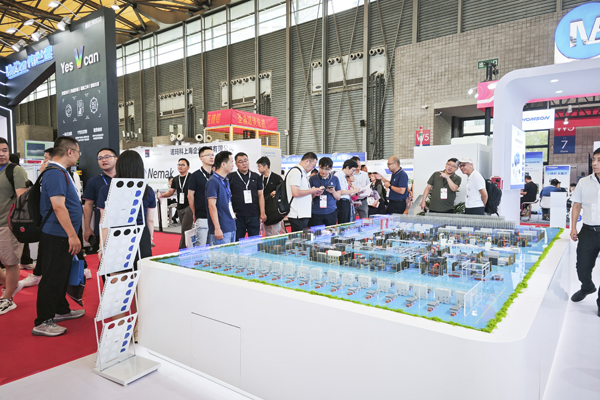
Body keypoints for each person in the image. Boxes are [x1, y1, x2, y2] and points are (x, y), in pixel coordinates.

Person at [33, 137, 84, 336]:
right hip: (57, 234)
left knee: (61, 274)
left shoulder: (60, 172)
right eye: (78, 152)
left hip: (61, 234)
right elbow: (58, 207)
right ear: (69, 152)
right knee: (53, 276)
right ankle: (43, 321)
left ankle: (60, 309)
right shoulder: (55, 173)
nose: (78, 156)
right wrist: (72, 235)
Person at [97, 150, 155, 262]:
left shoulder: (107, 189)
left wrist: (101, 247)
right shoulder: (148, 190)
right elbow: (150, 220)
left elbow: (104, 222)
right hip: (141, 235)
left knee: (117, 270)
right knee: (140, 269)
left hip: (117, 235)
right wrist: (149, 239)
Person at [15, 148, 54, 292]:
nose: (44, 161)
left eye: (46, 158)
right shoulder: (49, 175)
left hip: (53, 221)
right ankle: (37, 273)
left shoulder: (56, 174)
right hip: (46, 220)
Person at [569, 148, 600, 316]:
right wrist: (573, 227)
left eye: (599, 160)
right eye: (594, 159)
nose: (594, 163)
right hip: (588, 230)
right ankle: (587, 286)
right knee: (582, 266)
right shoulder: (584, 182)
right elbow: (576, 205)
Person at [0, 138, 28, 315]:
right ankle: (10, 284)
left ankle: (8, 299)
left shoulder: (15, 170)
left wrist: (17, 224)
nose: (2, 154)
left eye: (4, 150)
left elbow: (23, 199)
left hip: (7, 225)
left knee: (10, 262)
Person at [83, 148, 118, 247]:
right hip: (103, 228)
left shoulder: (124, 179)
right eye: (100, 158)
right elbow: (88, 205)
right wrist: (87, 228)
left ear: (116, 159)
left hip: (123, 226)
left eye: (107, 157)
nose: (104, 160)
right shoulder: (94, 181)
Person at [229, 152, 266, 240]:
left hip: (254, 214)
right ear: (236, 164)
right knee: (237, 240)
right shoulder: (231, 177)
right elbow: (227, 197)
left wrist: (262, 212)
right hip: (238, 216)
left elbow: (260, 195)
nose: (244, 163)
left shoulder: (256, 176)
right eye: (241, 162)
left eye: (246, 161)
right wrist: (231, 212)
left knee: (254, 240)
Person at [159, 158, 192, 249]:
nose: (180, 166)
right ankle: (189, 247)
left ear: (188, 167)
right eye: (179, 165)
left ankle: (182, 249)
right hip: (180, 207)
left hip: (189, 206)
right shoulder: (176, 179)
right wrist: (162, 195)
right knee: (185, 229)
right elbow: (171, 191)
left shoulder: (192, 177)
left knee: (185, 229)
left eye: (183, 165)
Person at [286, 152, 322, 232]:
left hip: (302, 214)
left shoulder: (302, 172)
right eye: (313, 165)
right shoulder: (296, 172)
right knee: (299, 238)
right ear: (307, 161)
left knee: (301, 237)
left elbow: (302, 192)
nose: (312, 168)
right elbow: (295, 193)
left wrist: (313, 193)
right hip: (298, 214)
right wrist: (311, 190)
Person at [206, 151, 237, 245]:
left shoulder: (225, 180)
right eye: (231, 162)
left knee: (231, 254)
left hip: (230, 225)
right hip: (222, 228)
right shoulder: (213, 181)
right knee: (221, 254)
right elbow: (212, 206)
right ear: (223, 164)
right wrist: (217, 228)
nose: (233, 165)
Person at [188, 146, 214, 246]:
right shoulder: (195, 175)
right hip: (202, 215)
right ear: (201, 158)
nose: (211, 157)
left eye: (212, 155)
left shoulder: (215, 175)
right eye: (208, 155)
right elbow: (190, 196)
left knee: (213, 245)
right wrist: (194, 213)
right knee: (201, 245)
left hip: (215, 216)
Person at [308, 157, 341, 227]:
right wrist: (315, 193)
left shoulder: (335, 179)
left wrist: (333, 192)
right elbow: (308, 197)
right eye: (321, 168)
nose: (323, 171)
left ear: (331, 168)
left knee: (331, 232)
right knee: (317, 233)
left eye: (327, 169)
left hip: (331, 211)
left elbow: (338, 197)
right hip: (316, 212)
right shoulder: (312, 179)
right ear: (318, 166)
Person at [257, 156, 284, 236]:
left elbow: (283, 191)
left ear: (266, 166)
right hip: (264, 208)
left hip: (274, 209)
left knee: (276, 231)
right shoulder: (259, 179)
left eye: (259, 166)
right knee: (267, 232)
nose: (258, 169)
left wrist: (276, 192)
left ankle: (277, 244)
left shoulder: (277, 178)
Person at [334, 159, 361, 224]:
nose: (353, 172)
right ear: (347, 167)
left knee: (347, 222)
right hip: (341, 201)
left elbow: (345, 192)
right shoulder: (338, 175)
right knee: (343, 223)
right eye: (353, 170)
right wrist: (353, 190)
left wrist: (356, 193)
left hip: (346, 201)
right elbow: (339, 191)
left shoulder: (343, 176)